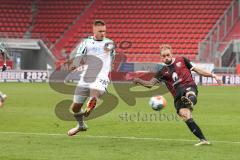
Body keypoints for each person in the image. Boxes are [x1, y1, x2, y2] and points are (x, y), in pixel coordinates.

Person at [133, 44, 222, 146]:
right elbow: (150, 84)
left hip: (188, 85)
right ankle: (203, 140)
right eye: (163, 56)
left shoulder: (182, 60)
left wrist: (213, 75)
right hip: (177, 96)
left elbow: (197, 70)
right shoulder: (162, 72)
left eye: (167, 55)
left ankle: (190, 101)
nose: (166, 58)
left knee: (189, 93)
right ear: (161, 58)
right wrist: (138, 80)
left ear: (171, 54)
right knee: (185, 115)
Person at [67, 20, 115, 136]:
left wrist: (111, 64)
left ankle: (92, 101)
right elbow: (79, 55)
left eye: (104, 31)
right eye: (100, 31)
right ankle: (81, 125)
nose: (103, 33)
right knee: (75, 107)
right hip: (86, 77)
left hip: (101, 77)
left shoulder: (110, 43)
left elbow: (112, 55)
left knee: (95, 91)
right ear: (94, 30)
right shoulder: (86, 42)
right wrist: (75, 64)